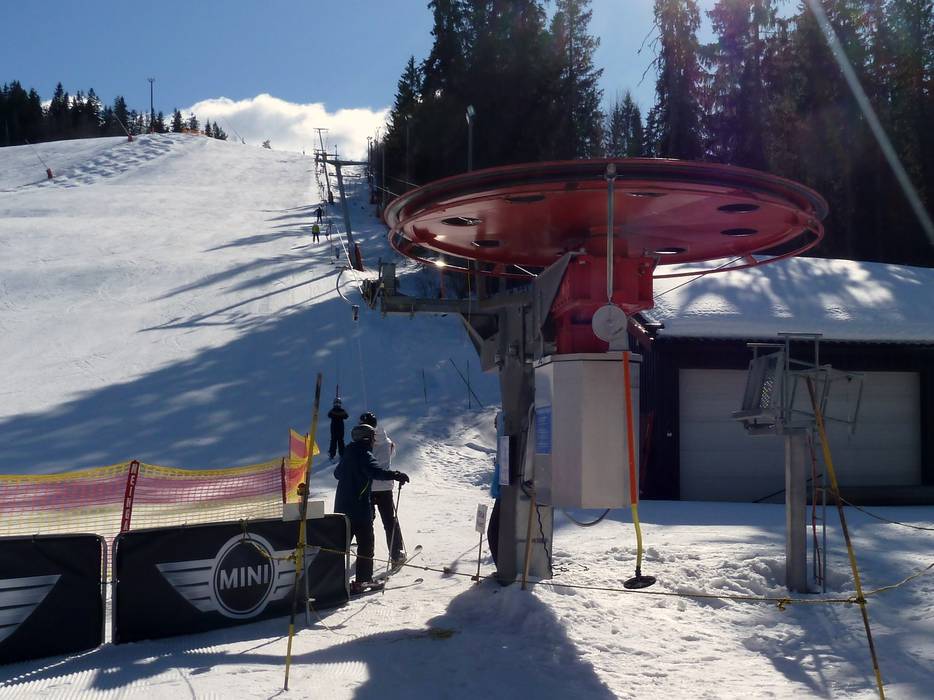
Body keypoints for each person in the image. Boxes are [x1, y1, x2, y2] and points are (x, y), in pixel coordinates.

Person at [334, 423, 409, 593]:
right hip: (360, 509)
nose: (374, 441)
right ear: (368, 438)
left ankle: (331, 581)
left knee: (341, 545)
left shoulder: (348, 452)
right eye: (373, 438)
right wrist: (396, 475)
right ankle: (363, 581)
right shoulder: (364, 454)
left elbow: (337, 474)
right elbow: (376, 472)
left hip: (342, 508)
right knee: (366, 544)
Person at [360, 412, 405, 566]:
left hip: (368, 487)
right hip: (385, 487)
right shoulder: (387, 441)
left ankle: (366, 553)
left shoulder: (363, 442)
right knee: (389, 521)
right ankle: (396, 554)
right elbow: (393, 454)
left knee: (367, 521)